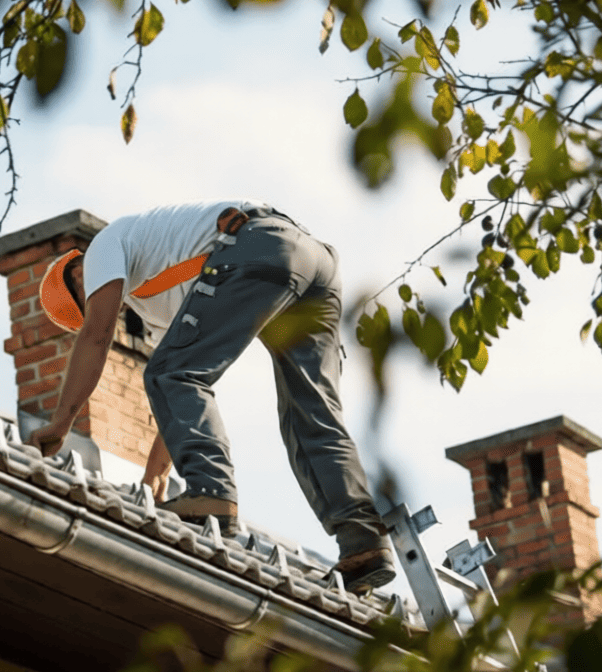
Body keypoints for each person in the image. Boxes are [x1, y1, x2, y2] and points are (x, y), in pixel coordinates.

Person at [25, 200, 396, 594]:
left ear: (77, 272)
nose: (100, 306)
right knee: (309, 413)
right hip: (312, 264)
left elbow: (99, 337)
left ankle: (213, 493)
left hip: (258, 245)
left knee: (170, 372)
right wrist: (155, 477)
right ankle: (363, 541)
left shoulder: (103, 247)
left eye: (84, 298)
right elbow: (179, 393)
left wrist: (60, 423)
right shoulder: (157, 307)